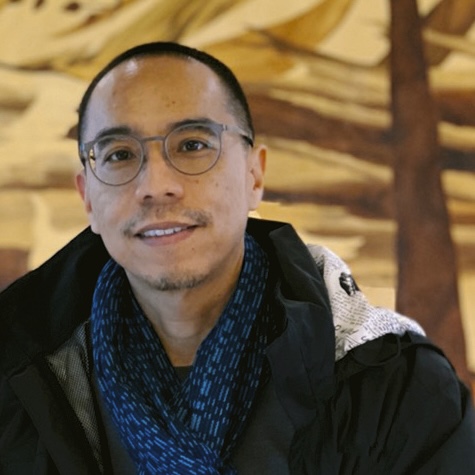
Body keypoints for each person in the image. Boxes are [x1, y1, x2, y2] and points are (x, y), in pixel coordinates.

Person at [0, 41, 474, 475]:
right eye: (119, 154)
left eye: (192, 145)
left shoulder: (394, 384)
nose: (155, 185)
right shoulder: (16, 376)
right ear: (87, 197)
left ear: (254, 176)